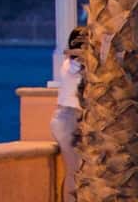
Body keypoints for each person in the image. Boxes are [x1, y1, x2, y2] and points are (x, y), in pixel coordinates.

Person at [51, 27, 88, 202]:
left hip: (70, 118)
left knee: (78, 169)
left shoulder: (70, 64)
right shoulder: (74, 66)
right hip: (68, 119)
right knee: (75, 169)